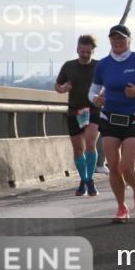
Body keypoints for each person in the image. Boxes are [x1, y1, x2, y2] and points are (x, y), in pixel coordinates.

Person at [89, 24, 135, 223]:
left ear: (129, 40)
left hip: (134, 119)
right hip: (110, 118)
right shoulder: (103, 64)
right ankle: (122, 207)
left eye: (121, 38)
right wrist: (96, 99)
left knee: (126, 166)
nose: (117, 42)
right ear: (110, 41)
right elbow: (92, 91)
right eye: (113, 38)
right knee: (113, 167)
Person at [55, 34, 101, 196]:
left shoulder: (99, 66)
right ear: (77, 50)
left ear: (93, 51)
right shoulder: (69, 66)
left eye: (88, 52)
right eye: (82, 51)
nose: (85, 54)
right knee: (78, 149)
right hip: (75, 112)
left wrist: (103, 95)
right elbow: (58, 86)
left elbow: (109, 84)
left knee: (90, 144)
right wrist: (63, 89)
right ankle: (84, 179)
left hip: (93, 111)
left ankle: (90, 180)